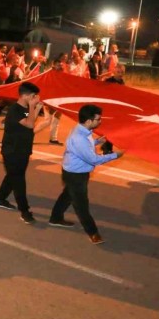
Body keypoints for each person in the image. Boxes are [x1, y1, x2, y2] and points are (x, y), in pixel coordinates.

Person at [48, 104, 124, 244]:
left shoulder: (82, 130)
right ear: (89, 121)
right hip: (76, 175)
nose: (100, 122)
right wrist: (115, 155)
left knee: (67, 196)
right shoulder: (79, 137)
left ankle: (55, 218)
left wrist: (96, 142)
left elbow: (84, 147)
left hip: (73, 172)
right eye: (98, 119)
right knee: (81, 205)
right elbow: (93, 159)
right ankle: (93, 232)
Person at [0, 82, 52, 224]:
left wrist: (36, 108)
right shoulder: (14, 109)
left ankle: (0, 199)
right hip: (12, 151)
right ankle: (25, 211)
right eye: (33, 96)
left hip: (23, 149)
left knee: (12, 176)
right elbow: (30, 124)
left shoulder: (25, 108)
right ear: (25, 95)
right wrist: (33, 106)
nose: (35, 98)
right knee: (19, 181)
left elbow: (30, 119)